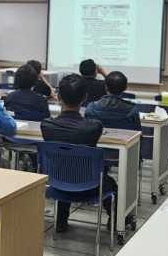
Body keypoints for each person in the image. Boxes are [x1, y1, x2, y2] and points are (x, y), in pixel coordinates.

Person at [41, 75, 117, 232]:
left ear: (59, 97)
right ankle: (117, 220)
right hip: (90, 186)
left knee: (65, 166)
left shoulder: (46, 125)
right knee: (111, 184)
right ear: (85, 98)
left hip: (57, 183)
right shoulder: (94, 127)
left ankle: (61, 221)